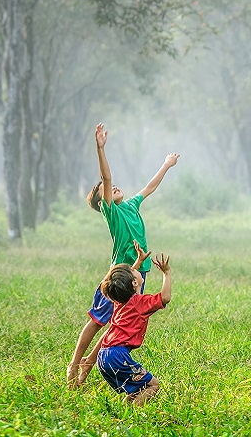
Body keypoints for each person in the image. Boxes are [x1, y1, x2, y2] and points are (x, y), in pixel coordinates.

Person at [66, 122, 179, 388]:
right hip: (119, 274)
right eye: (105, 190)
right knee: (97, 320)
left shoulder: (130, 205)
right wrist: (100, 148)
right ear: (101, 201)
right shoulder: (112, 212)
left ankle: (87, 368)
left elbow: (149, 187)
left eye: (113, 186)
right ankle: (75, 364)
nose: (112, 186)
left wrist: (166, 165)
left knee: (118, 323)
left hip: (139, 272)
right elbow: (106, 178)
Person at [93, 241, 171, 405]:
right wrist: (166, 273)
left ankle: (125, 410)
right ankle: (132, 416)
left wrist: (139, 260)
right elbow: (165, 297)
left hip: (103, 355)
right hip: (117, 356)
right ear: (134, 283)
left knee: (137, 389)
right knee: (153, 385)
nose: (136, 270)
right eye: (134, 271)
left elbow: (127, 282)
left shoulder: (119, 299)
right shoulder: (140, 303)